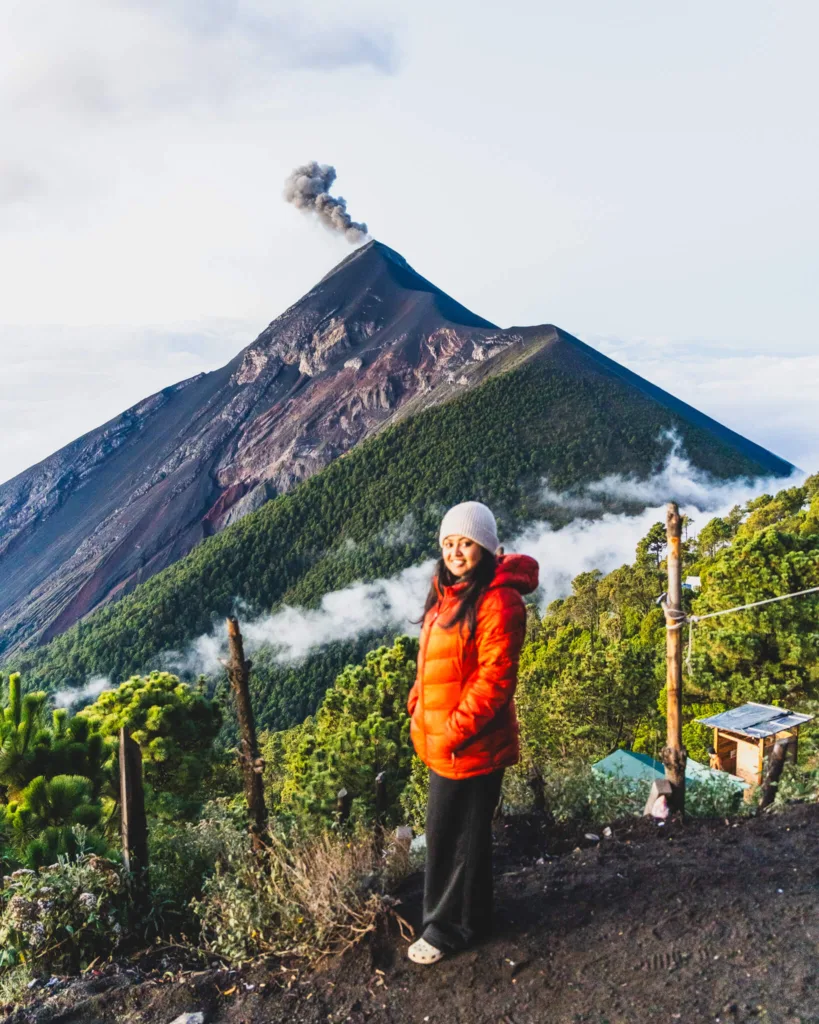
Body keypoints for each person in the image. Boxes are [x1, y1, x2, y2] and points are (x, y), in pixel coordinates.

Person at [405, 501, 539, 964]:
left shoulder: (498, 600)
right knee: (461, 833)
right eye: (448, 543)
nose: (456, 551)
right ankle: (473, 917)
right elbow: (434, 661)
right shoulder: (450, 592)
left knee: (452, 836)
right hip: (449, 736)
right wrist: (417, 703)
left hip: (471, 742)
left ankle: (446, 931)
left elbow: (495, 681)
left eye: (465, 542)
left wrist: (450, 731)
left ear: (485, 545)